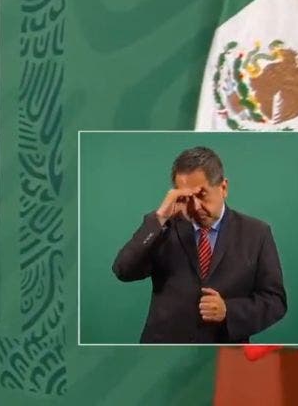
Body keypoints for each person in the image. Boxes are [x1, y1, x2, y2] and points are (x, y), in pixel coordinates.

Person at [112, 146, 287, 344]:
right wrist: (160, 218)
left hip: (223, 352)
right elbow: (123, 270)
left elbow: (275, 301)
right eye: (186, 198)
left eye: (202, 195)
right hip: (163, 350)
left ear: (223, 188)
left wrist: (229, 311)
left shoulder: (257, 233)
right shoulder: (163, 228)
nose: (195, 206)